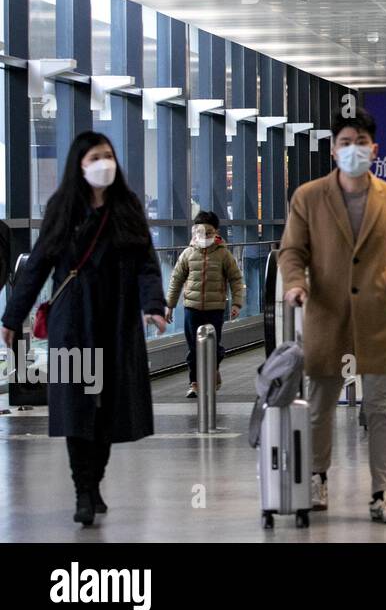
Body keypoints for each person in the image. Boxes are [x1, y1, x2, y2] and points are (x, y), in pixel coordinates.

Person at [2, 132, 166, 525]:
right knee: (78, 408)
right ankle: (82, 491)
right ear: (80, 163)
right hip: (74, 323)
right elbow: (38, 263)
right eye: (96, 156)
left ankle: (94, 483)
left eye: (109, 155)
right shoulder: (64, 208)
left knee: (109, 409)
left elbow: (146, 262)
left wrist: (153, 306)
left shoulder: (127, 207)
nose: (104, 162)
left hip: (117, 323)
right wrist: (11, 317)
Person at [279, 108, 386, 524]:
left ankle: (383, 493)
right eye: (344, 143)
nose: (352, 149)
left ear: (374, 149)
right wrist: (295, 284)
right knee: (320, 406)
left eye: (360, 142)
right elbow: (292, 250)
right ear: (333, 150)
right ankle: (317, 480)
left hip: (376, 321)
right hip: (326, 316)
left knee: (381, 409)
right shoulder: (308, 196)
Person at [165, 210, 246, 397]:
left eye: (208, 232)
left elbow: (236, 279)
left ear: (216, 232)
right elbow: (176, 279)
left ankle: (213, 368)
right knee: (193, 346)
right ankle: (195, 382)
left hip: (215, 309)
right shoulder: (187, 254)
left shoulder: (223, 255)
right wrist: (169, 305)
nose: (204, 236)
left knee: (213, 345)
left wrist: (237, 304)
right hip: (191, 309)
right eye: (200, 232)